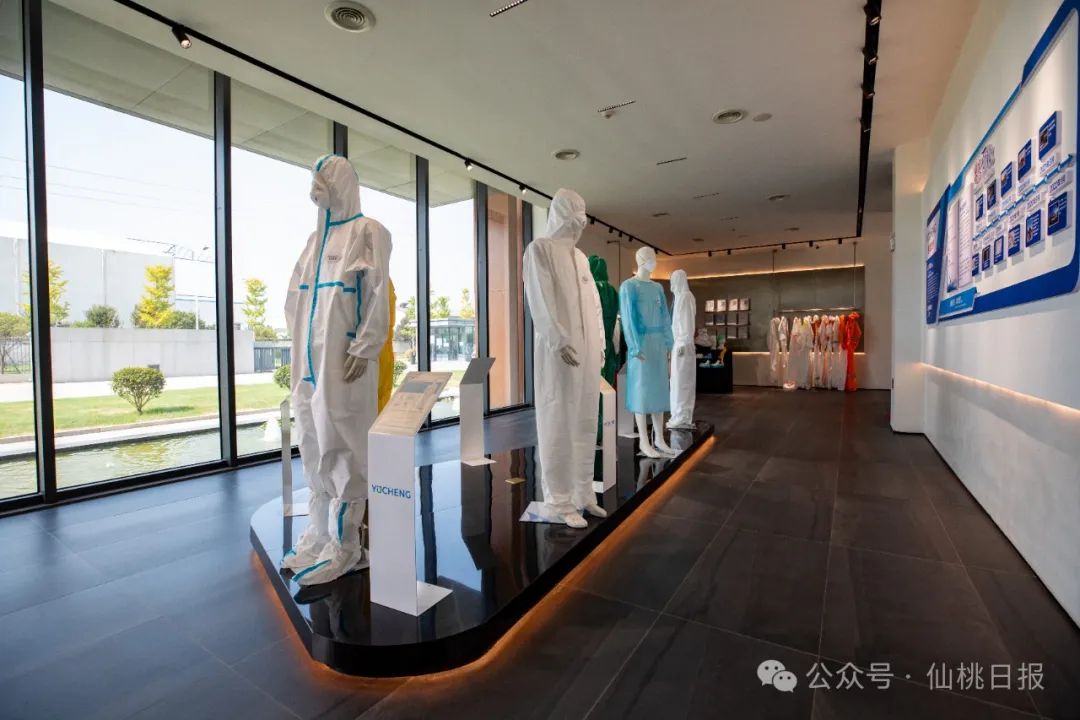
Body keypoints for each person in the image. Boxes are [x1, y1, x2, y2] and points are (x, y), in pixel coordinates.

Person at [281, 154, 391, 586]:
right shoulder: (315, 240)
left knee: (343, 446)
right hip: (308, 365)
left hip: (344, 365)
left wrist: (365, 346)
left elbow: (376, 293)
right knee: (312, 442)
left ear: (340, 182)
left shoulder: (368, 231)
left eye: (323, 180)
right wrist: (299, 349)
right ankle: (320, 536)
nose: (316, 189)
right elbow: (295, 299)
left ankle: (347, 548)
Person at [523, 189, 607, 529]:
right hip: (559, 351)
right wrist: (557, 338)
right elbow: (539, 299)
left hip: (588, 352)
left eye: (581, 218)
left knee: (586, 420)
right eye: (573, 216)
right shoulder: (540, 249)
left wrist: (600, 343)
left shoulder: (581, 258)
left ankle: (583, 492)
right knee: (558, 420)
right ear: (559, 214)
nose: (578, 224)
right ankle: (559, 499)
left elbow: (595, 306)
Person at [619, 246, 676, 457]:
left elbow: (665, 317)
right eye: (650, 257)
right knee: (641, 391)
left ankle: (659, 438)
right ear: (640, 259)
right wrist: (634, 346)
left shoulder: (658, 288)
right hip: (641, 344)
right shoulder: (629, 287)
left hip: (658, 343)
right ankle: (644, 440)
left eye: (654, 257)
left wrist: (669, 343)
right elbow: (628, 319)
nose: (654, 261)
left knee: (659, 390)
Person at [589, 255, 620, 441]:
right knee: (607, 387)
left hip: (594, 345)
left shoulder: (590, 289)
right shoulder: (613, 291)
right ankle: (605, 430)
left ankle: (595, 433)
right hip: (609, 344)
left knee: (593, 391)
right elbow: (616, 325)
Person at [666, 269, 696, 429]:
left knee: (683, 383)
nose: (671, 284)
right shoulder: (679, 297)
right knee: (676, 382)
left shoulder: (685, 297)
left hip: (683, 345)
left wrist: (683, 342)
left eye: (673, 280)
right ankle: (677, 414)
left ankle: (683, 416)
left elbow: (686, 322)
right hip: (678, 344)